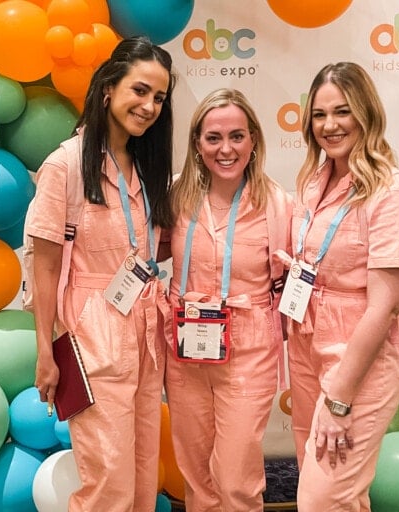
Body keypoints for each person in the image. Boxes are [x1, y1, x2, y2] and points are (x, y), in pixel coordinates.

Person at [24, 37, 175, 511]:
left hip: (148, 332)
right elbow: (44, 265)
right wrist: (45, 352)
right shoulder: (65, 164)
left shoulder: (148, 166)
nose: (149, 106)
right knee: (106, 479)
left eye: (159, 98)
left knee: (142, 471)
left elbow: (155, 247)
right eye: (140, 90)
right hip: (93, 335)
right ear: (109, 88)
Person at [284, 62, 399, 510]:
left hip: (359, 362)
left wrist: (340, 398)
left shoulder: (392, 195)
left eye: (342, 112)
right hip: (307, 346)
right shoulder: (313, 182)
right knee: (330, 488)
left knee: (323, 499)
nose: (329, 125)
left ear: (366, 113)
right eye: (319, 115)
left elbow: (384, 308)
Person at [164, 88, 292, 511]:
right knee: (196, 474)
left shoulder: (278, 205)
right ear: (197, 144)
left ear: (254, 139)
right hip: (185, 347)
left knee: (236, 476)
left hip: (249, 349)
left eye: (237, 136)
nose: (225, 148)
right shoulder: (177, 195)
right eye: (213, 138)